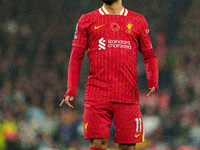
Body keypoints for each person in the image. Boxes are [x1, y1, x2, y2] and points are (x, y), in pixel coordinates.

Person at [60, 0, 159, 150]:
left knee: (128, 146)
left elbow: (149, 54)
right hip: (97, 94)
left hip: (127, 95)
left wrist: (153, 80)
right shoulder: (87, 20)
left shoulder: (138, 20)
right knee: (97, 144)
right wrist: (71, 89)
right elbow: (76, 56)